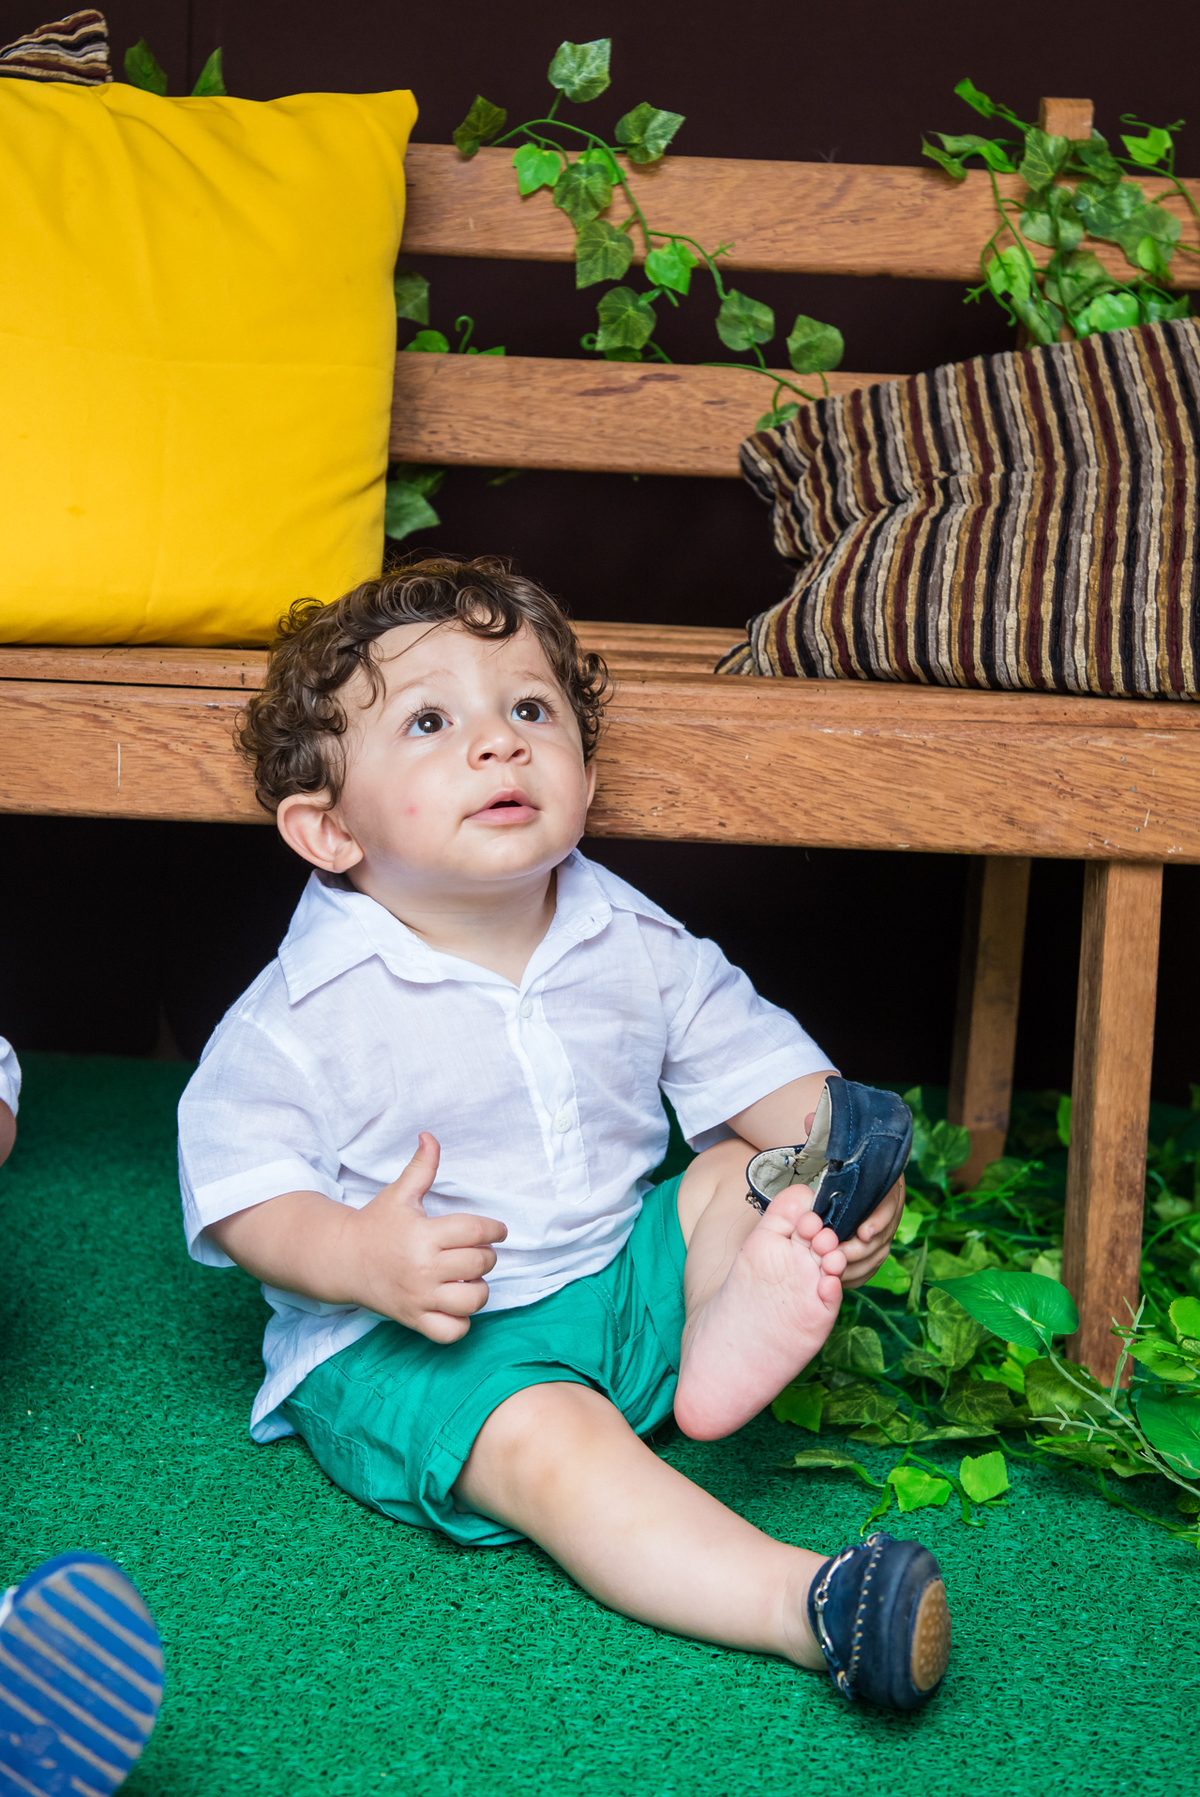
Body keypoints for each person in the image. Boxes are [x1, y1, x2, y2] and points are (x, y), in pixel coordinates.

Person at [177, 555, 951, 1710]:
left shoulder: (625, 931)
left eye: (529, 709)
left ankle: (721, 1332)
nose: (499, 742)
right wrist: (359, 1260)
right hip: (426, 1348)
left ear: (583, 769)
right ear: (329, 828)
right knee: (556, 1444)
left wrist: (838, 1161)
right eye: (433, 721)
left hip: (615, 1279)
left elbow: (766, 1069)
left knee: (747, 1165)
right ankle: (810, 1606)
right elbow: (239, 1190)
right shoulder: (304, 1010)